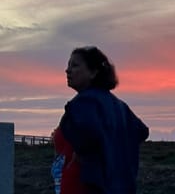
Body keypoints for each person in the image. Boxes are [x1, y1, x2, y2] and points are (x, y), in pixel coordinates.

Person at [53, 46, 149, 194]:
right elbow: (141, 131)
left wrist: (85, 154)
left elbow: (87, 136)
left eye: (75, 65)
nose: (68, 70)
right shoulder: (119, 106)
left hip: (84, 186)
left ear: (93, 72)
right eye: (68, 66)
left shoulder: (84, 102)